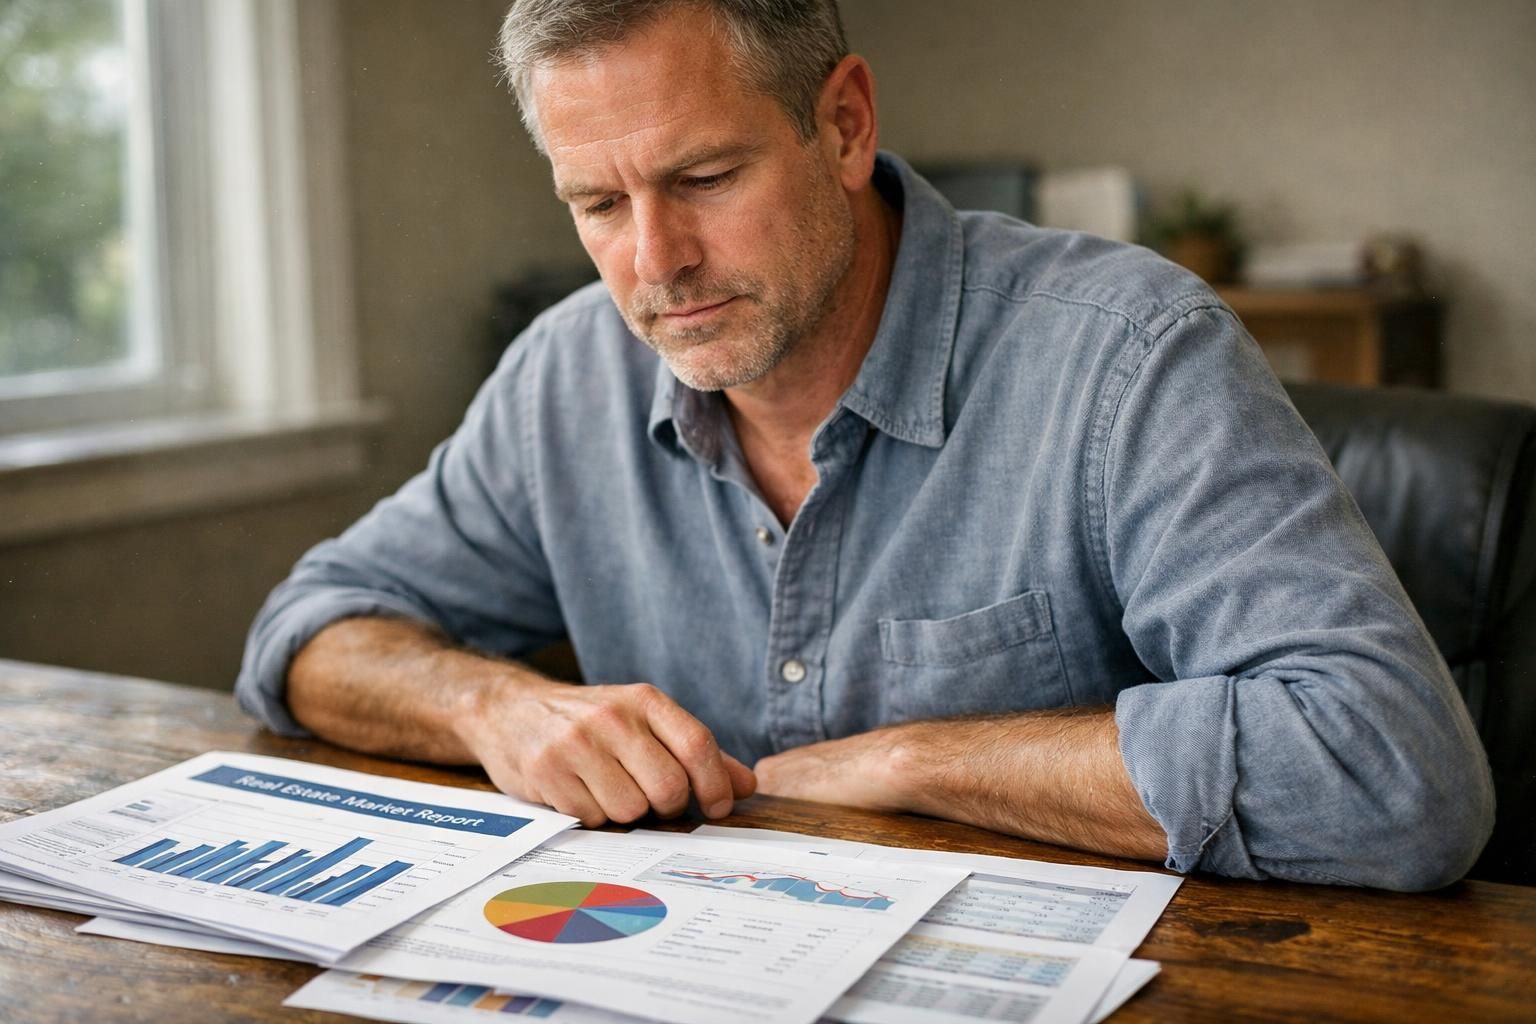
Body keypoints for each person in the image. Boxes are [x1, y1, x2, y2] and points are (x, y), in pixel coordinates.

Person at [237, 0, 1493, 890]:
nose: (654, 262)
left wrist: (914, 758)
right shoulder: (568, 369)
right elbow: (310, 630)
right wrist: (497, 705)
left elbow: (1393, 771)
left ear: (842, 124)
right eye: (599, 204)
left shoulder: (1129, 355)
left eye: (707, 178)